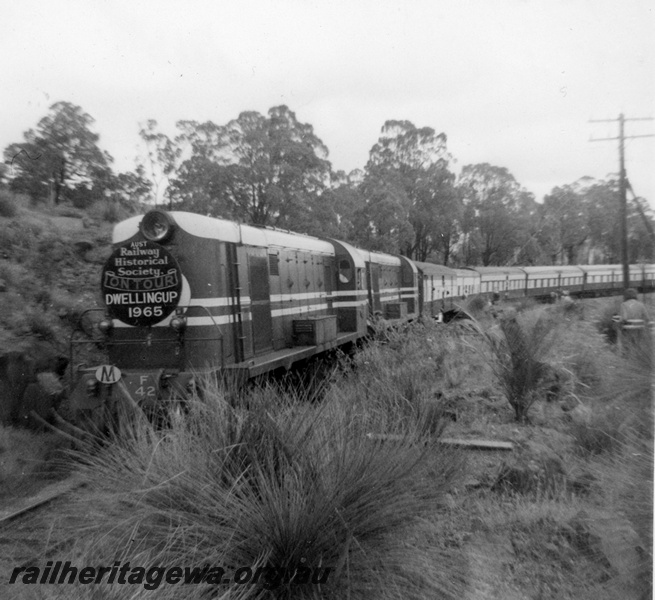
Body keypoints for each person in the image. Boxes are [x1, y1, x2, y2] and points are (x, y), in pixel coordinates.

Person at [616, 288, 651, 357]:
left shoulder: (623, 305)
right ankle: (636, 357)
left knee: (627, 342)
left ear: (625, 296)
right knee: (637, 343)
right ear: (635, 295)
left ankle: (626, 356)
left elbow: (624, 318)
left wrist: (619, 324)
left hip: (628, 328)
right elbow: (647, 318)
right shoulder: (641, 304)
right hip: (639, 328)